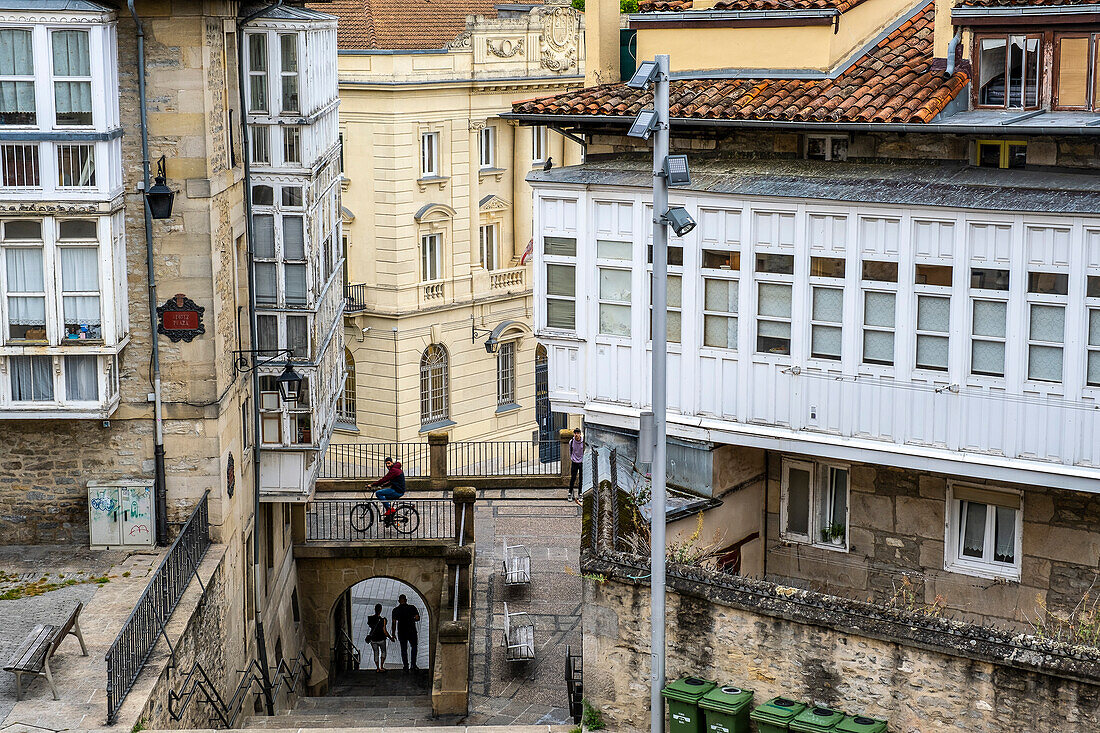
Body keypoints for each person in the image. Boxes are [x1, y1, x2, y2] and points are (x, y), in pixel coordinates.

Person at [391, 593, 421, 671]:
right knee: (414, 647)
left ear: (399, 601)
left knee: (403, 649)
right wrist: (412, 619)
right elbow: (417, 618)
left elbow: (394, 623)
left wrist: (393, 634)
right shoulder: (412, 608)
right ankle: (413, 665)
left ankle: (405, 666)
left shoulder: (395, 610)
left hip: (402, 632)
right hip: (412, 631)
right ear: (406, 600)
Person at [365, 603, 394, 672]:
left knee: (376, 652)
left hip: (373, 639)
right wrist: (390, 637)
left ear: (375, 609)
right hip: (381, 638)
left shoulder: (370, 618)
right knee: (383, 651)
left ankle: (377, 668)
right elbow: (385, 631)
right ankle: (381, 666)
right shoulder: (383, 620)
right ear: (380, 610)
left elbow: (370, 626)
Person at [568, 428, 584, 502]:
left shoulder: (583, 442)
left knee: (581, 479)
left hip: (581, 462)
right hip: (574, 462)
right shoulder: (571, 442)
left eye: (577, 433)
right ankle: (570, 493)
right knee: (573, 478)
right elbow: (570, 451)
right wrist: (572, 458)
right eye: (575, 433)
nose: (576, 435)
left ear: (580, 434)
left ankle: (580, 493)